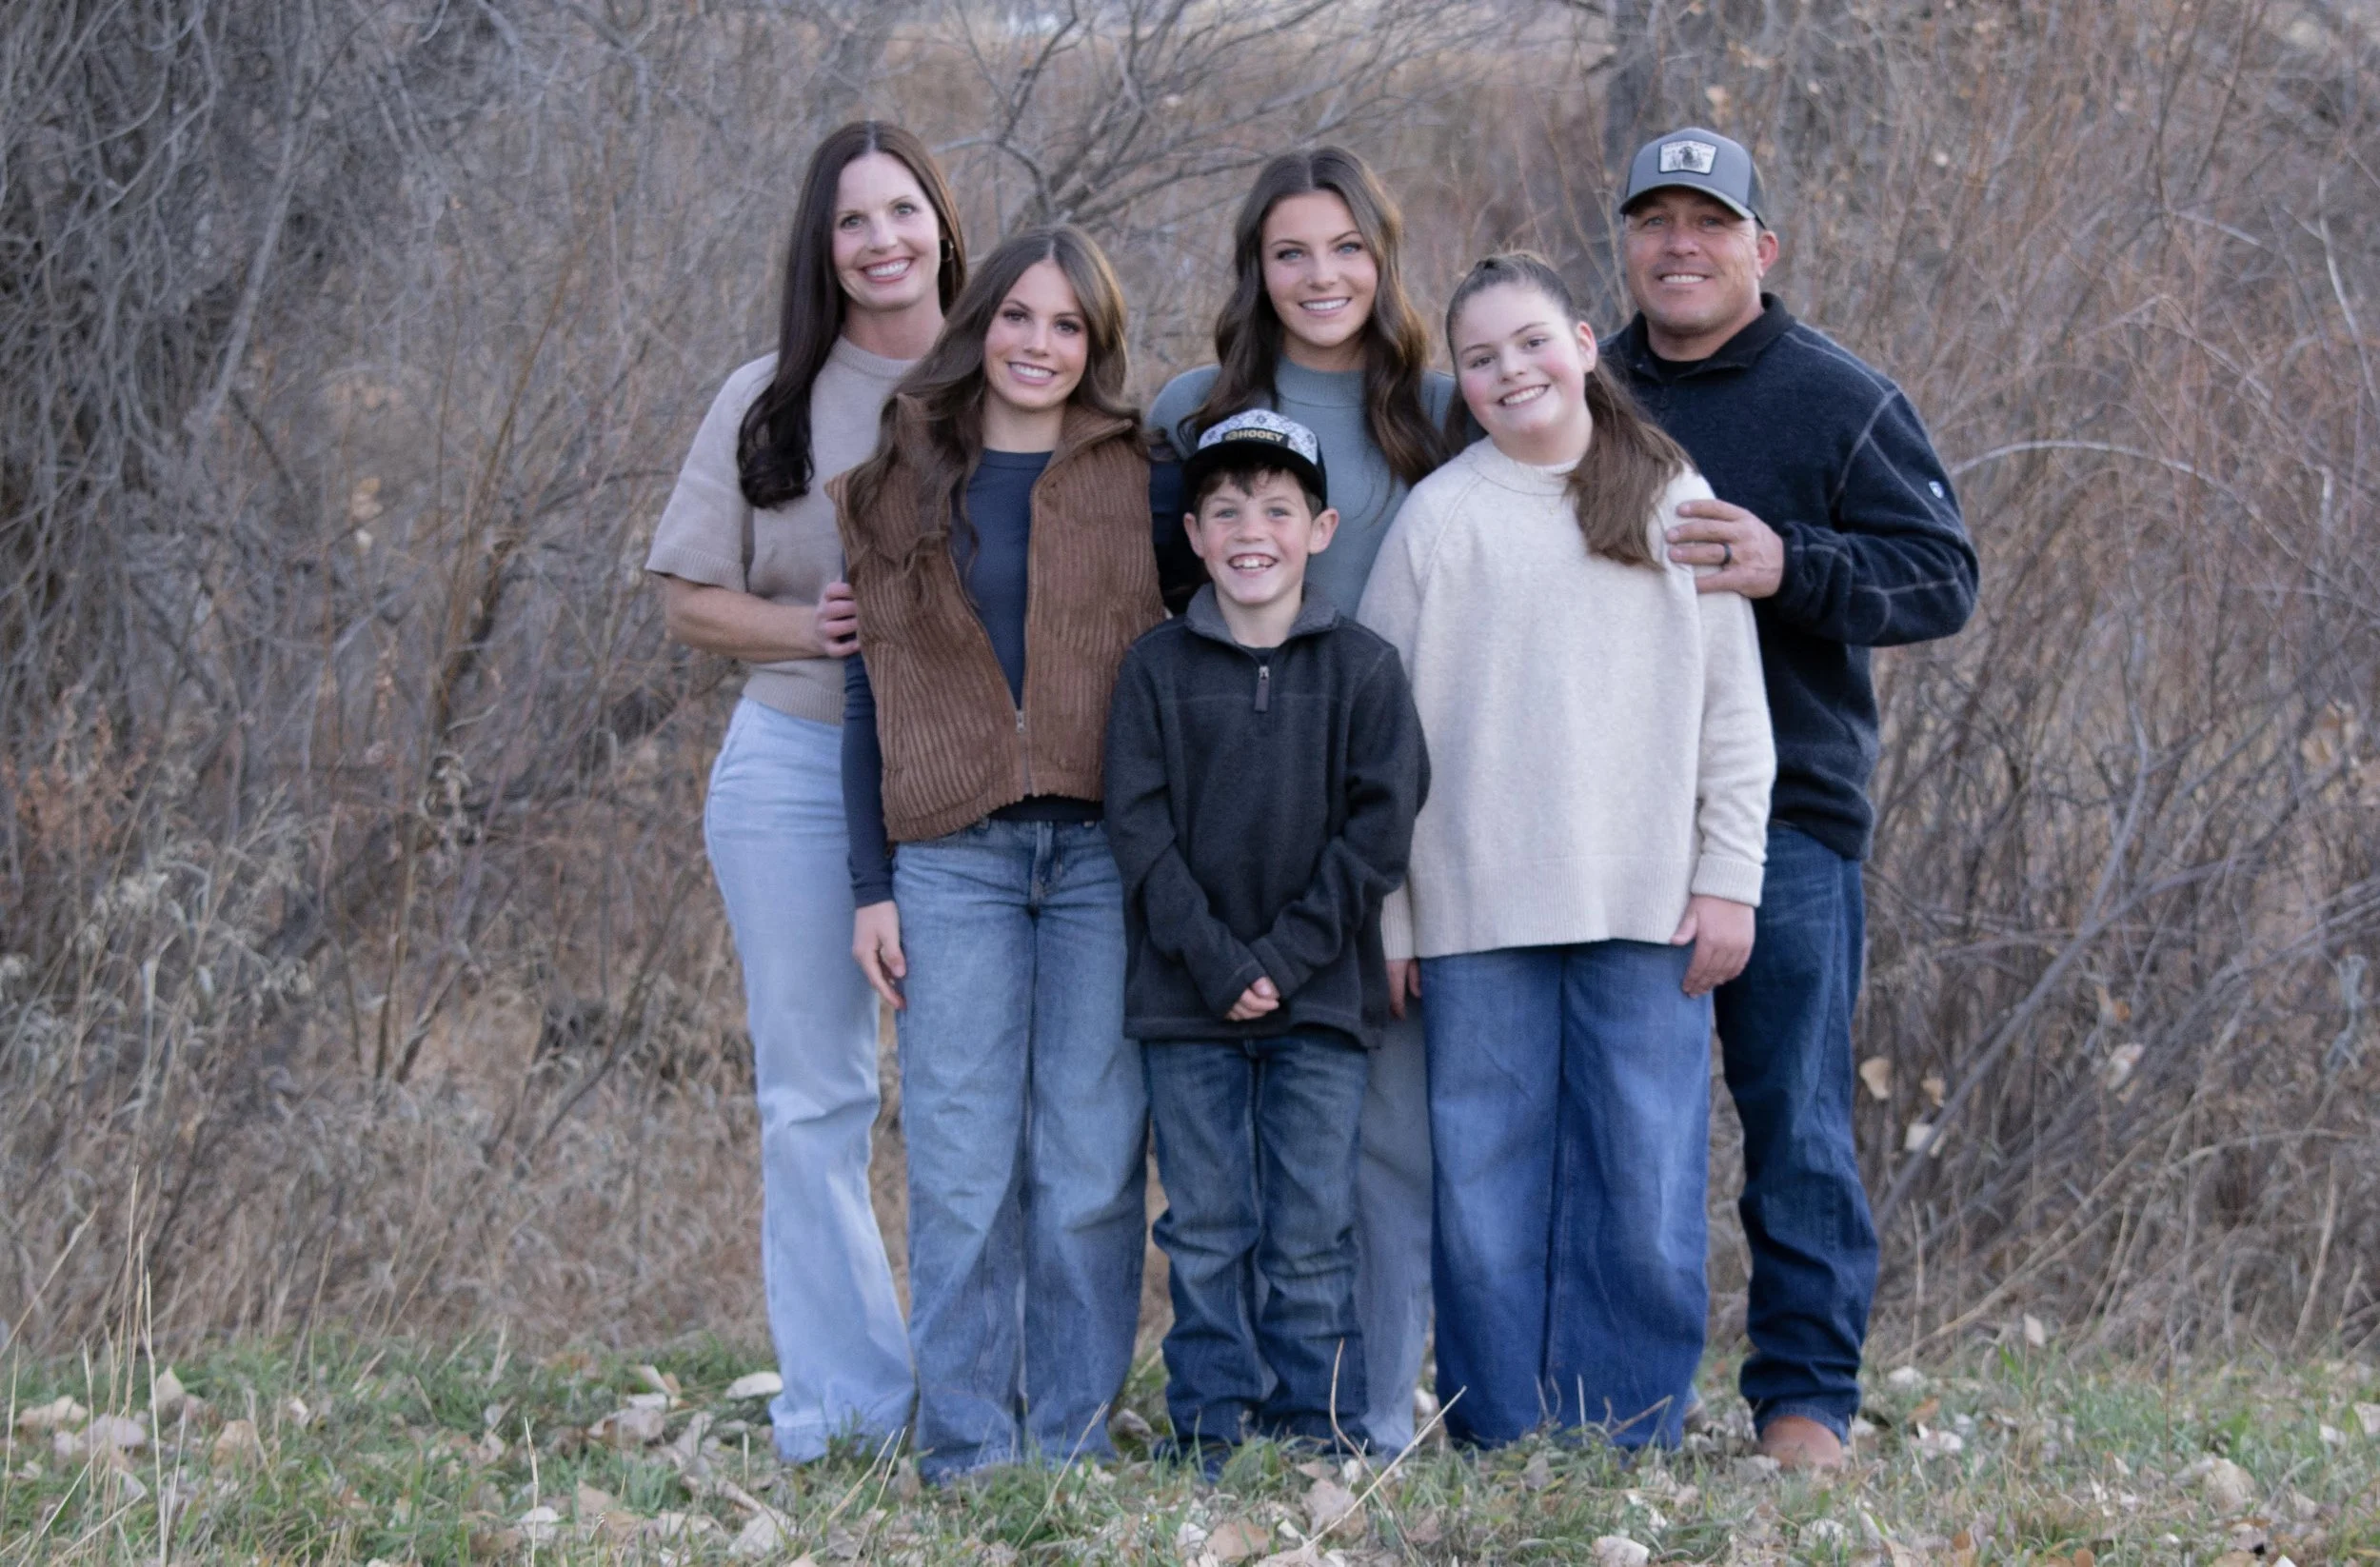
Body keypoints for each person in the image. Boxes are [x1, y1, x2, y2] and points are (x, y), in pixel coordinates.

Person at [1606, 126, 1980, 1470]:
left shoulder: (1840, 397)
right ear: (1627, 245)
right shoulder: (1582, 391)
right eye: (1655, 221)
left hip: (1790, 822)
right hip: (1611, 817)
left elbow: (1942, 577)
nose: (1680, 246)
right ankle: (1610, 1396)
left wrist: (1792, 563)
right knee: (1623, 1130)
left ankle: (1806, 1404)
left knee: (1797, 1122)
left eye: (1709, 223)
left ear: (1761, 247)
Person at [1359, 252, 1775, 1451]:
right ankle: (1499, 1430)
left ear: (1586, 343)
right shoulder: (1441, 519)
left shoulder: (1669, 496)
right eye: (1480, 358)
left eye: (1531, 341)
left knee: (1642, 1185)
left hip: (1648, 908)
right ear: (1460, 383)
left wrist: (1728, 878)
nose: (1511, 371)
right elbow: (1378, 746)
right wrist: (1390, 916)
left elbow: (1733, 715)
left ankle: (1624, 1429)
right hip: (1474, 914)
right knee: (1486, 1192)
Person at [644, 121, 964, 1466]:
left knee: (975, 1097)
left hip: (970, 782)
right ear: (820, 249)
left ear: (943, 220)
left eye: (904, 210)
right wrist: (806, 628)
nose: (884, 240)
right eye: (853, 221)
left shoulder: (1008, 367)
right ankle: (848, 1407)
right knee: (817, 1096)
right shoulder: (765, 398)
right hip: (794, 768)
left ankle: (982, 1392)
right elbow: (685, 598)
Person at [833, 226, 1164, 1484]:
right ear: (980, 326)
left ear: (1096, 344)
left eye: (1068, 324)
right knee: (962, 1166)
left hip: (1103, 860)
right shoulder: (896, 483)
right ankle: (967, 1449)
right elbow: (868, 696)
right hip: (950, 860)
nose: (1039, 344)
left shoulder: (1145, 476)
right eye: (1018, 316)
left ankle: (1070, 1441)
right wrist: (870, 884)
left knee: (1088, 1164)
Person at [1145, 147, 1457, 1453]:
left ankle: (1361, 1412)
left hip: (1398, 815)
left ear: (1382, 258)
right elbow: (1152, 608)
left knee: (1381, 1145)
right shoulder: (1194, 409)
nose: (1320, 275)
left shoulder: (1439, 407)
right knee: (1223, 1186)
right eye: (1290, 252)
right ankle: (1229, 1413)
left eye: (1346, 248)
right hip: (1234, 835)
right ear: (1254, 268)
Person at [1104, 410, 1429, 1472]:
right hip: (1184, 1002)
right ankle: (1209, 1430)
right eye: (1228, 510)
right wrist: (1217, 961)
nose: (1253, 530)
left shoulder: (1365, 671)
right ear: (1194, 535)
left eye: (1278, 509)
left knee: (1310, 1229)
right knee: (1205, 1226)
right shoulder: (1154, 669)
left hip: (1320, 1002)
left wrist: (1283, 961)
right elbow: (1138, 829)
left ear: (1321, 529)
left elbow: (1378, 832)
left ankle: (1316, 1432)